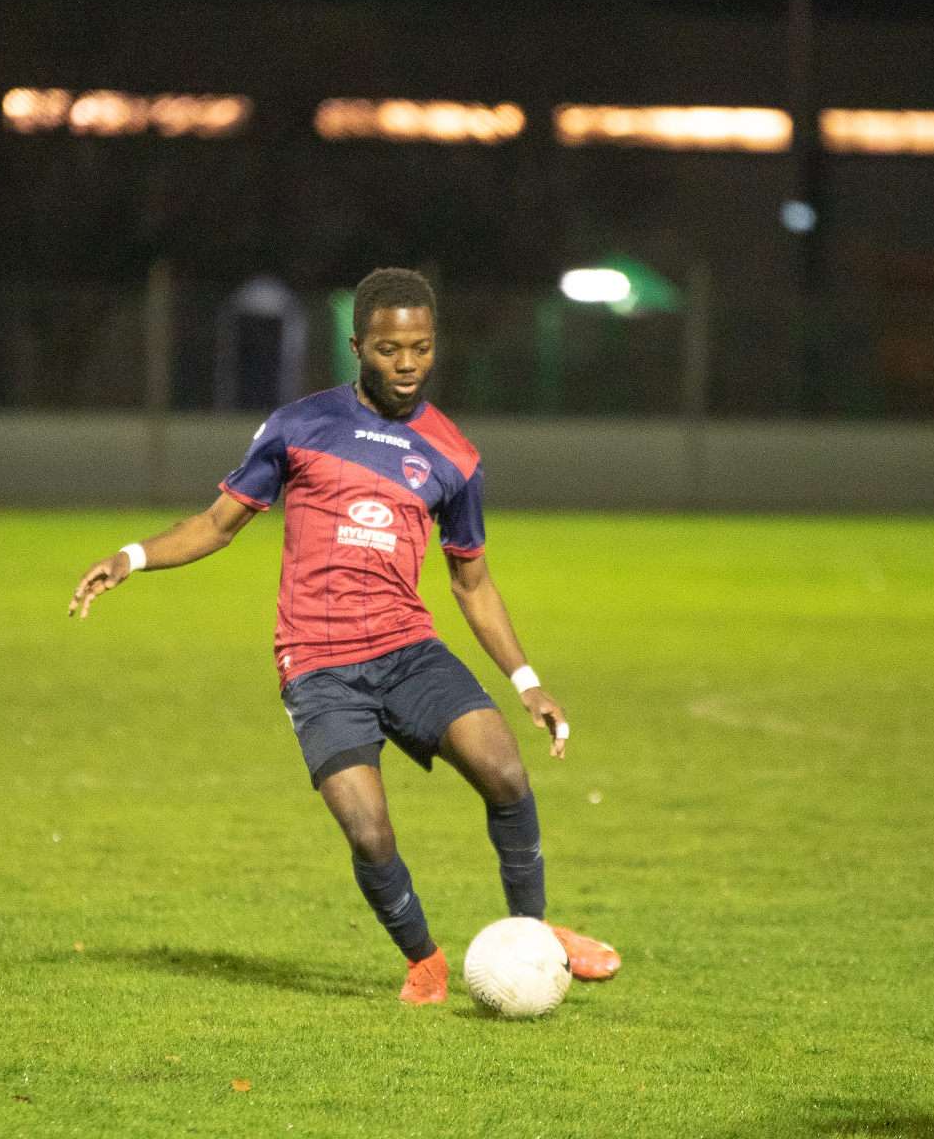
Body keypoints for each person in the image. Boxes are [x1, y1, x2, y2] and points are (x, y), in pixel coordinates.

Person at [69, 267, 618, 1004]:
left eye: (422, 348)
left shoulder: (455, 456)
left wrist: (528, 683)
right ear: (358, 346)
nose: (408, 364)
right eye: (390, 349)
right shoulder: (300, 426)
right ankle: (423, 960)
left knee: (506, 774)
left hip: (406, 649)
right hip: (318, 664)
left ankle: (535, 935)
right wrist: (130, 558)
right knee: (369, 832)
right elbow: (217, 525)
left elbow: (471, 582)